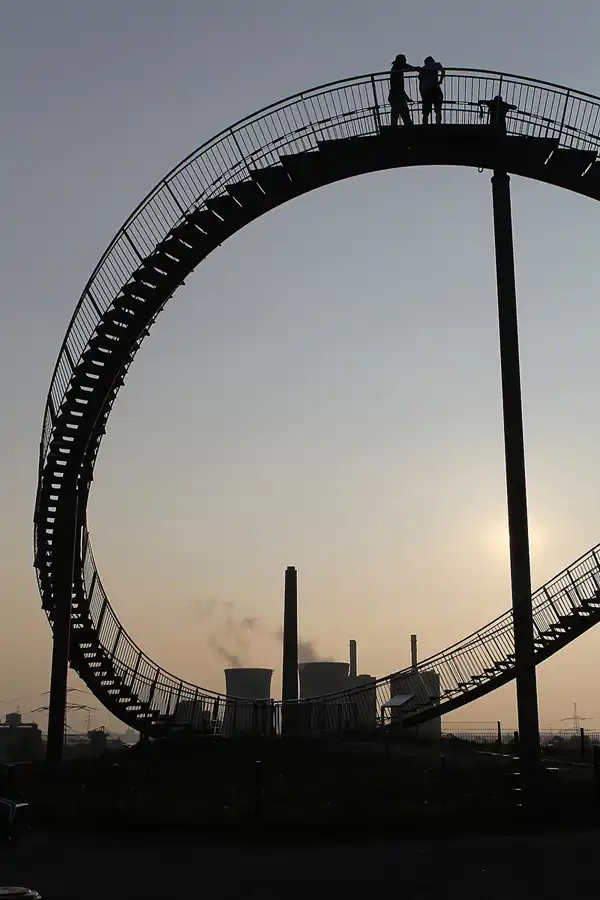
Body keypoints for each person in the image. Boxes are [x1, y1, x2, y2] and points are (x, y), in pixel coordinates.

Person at [388, 53, 418, 127]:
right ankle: (408, 130)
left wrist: (415, 68)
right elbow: (398, 87)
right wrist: (405, 97)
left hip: (394, 96)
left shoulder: (396, 69)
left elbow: (406, 66)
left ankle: (394, 130)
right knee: (403, 114)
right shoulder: (397, 71)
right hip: (397, 96)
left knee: (396, 114)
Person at [418, 56, 445, 124]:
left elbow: (420, 82)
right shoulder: (436, 65)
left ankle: (425, 126)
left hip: (427, 91)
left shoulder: (423, 69)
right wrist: (441, 80)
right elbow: (443, 71)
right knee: (438, 111)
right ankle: (438, 125)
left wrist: (422, 93)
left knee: (426, 112)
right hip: (436, 89)